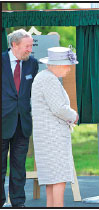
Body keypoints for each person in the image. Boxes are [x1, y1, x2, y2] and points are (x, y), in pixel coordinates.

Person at [31, 47, 79, 207]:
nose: (69, 68)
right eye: (67, 65)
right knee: (58, 179)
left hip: (47, 137)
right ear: (58, 65)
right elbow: (59, 108)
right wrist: (75, 116)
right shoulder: (49, 79)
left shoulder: (43, 77)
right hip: (53, 139)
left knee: (52, 181)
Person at [2, 29, 38, 207]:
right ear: (14, 45)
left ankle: (18, 202)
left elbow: (34, 93)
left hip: (22, 123)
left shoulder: (33, 64)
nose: (30, 50)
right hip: (2, 122)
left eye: (31, 46)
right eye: (27, 46)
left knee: (19, 167)